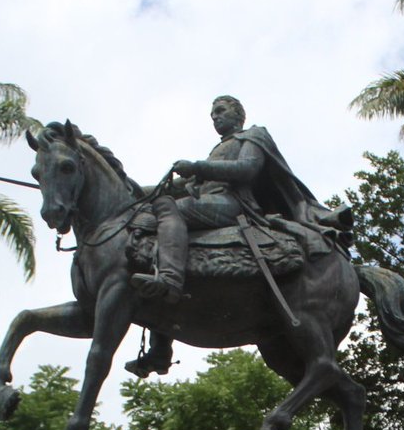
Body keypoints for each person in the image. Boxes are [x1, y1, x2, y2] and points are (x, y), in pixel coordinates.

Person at [125, 95, 349, 378]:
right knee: (148, 225)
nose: (215, 118)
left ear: (238, 114)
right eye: (212, 114)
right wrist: (137, 191)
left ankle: (169, 279)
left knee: (167, 211)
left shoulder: (253, 135)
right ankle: (160, 349)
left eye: (220, 111)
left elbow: (247, 170)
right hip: (207, 205)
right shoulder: (217, 149)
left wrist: (197, 167)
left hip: (231, 205)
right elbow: (188, 184)